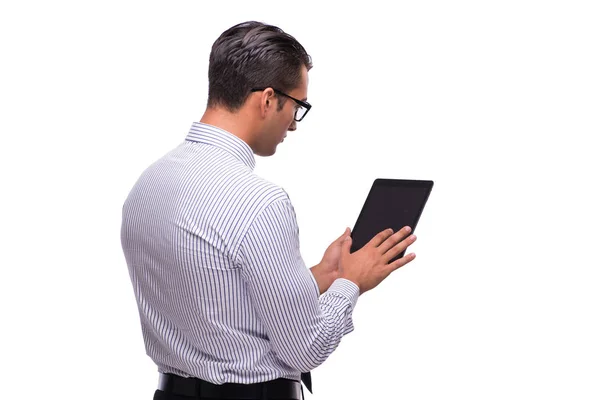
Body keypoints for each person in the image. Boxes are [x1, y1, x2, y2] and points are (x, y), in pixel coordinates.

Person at [121, 21, 418, 400]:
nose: (294, 124)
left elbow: (220, 300)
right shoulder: (260, 203)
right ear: (266, 100)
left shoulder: (148, 185)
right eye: (297, 106)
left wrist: (321, 275)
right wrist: (351, 283)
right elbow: (306, 348)